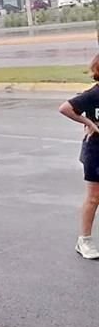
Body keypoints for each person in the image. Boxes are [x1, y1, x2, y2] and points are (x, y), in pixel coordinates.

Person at [58, 54, 99, 260]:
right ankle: (84, 241)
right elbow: (65, 108)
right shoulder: (94, 94)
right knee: (94, 198)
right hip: (96, 152)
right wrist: (90, 123)